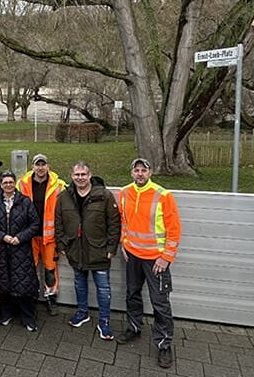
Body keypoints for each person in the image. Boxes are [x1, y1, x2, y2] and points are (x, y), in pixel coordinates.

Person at [116, 158, 182, 369]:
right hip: (133, 256)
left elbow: (174, 229)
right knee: (132, 294)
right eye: (136, 170)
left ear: (150, 172)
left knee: (160, 303)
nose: (140, 174)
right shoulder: (125, 193)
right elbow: (123, 221)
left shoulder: (163, 195)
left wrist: (166, 257)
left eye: (143, 170)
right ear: (131, 173)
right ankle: (134, 328)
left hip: (156, 259)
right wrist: (123, 244)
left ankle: (164, 344)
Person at [54, 161, 121, 340]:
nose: (80, 178)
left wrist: (111, 247)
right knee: (79, 283)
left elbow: (114, 223)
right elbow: (58, 222)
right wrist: (62, 245)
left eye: (83, 174)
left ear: (90, 175)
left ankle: (104, 322)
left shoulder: (104, 196)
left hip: (99, 249)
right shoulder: (63, 197)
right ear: (71, 175)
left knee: (103, 288)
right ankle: (82, 312)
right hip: (75, 249)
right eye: (77, 175)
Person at [0, 172, 40, 331]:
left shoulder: (25, 201)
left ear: (14, 183)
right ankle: (6, 313)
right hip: (1, 249)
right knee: (3, 283)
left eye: (11, 182)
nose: (8, 185)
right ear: (1, 184)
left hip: (20, 249)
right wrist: (3, 237)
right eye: (5, 182)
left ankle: (28, 317)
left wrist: (20, 238)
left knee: (23, 283)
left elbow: (35, 224)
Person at [16, 154, 66, 316]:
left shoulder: (59, 185)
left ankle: (51, 298)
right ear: (33, 167)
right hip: (29, 235)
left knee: (50, 269)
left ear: (48, 166)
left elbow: (66, 210)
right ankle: (31, 297)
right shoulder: (22, 184)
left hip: (49, 236)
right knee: (29, 268)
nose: (40, 168)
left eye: (43, 164)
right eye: (38, 165)